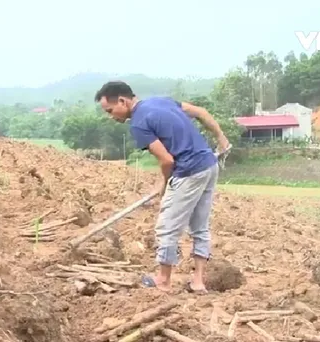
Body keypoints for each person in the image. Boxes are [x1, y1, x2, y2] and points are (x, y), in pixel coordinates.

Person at [94, 81, 230, 294]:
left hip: (189, 171)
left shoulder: (138, 123)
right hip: (209, 165)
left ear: (123, 100)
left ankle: (163, 281)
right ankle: (197, 282)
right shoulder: (161, 101)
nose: (111, 116)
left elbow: (167, 161)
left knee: (167, 227)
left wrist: (163, 184)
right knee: (199, 227)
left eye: (110, 110)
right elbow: (202, 112)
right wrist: (221, 138)